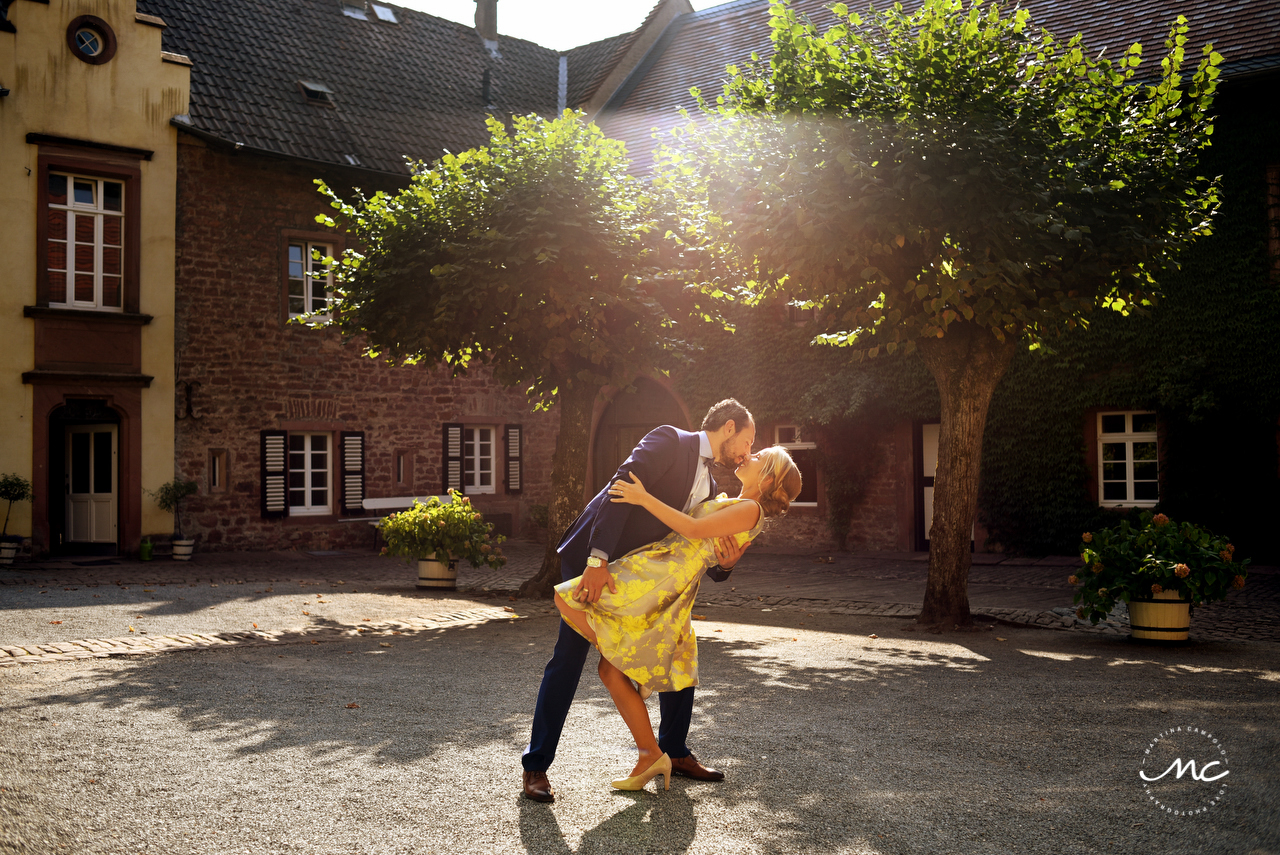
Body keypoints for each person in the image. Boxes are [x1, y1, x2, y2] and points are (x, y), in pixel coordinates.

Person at [521, 399, 757, 803]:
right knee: (569, 657)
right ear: (730, 426)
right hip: (597, 563)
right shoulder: (669, 440)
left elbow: (701, 547)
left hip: (646, 580)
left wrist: (728, 565)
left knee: (678, 644)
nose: (746, 453)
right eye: (747, 441)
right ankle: (536, 766)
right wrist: (597, 560)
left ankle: (675, 752)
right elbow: (619, 488)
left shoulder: (713, 488)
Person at [554, 446, 803, 791]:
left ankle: (632, 661)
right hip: (668, 569)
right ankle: (650, 753)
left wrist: (642, 497)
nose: (749, 455)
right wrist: (725, 562)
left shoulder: (750, 509)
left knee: (567, 598)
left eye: (759, 456)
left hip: (665, 573)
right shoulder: (737, 502)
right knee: (609, 670)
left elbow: (691, 527)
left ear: (770, 477)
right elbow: (714, 549)